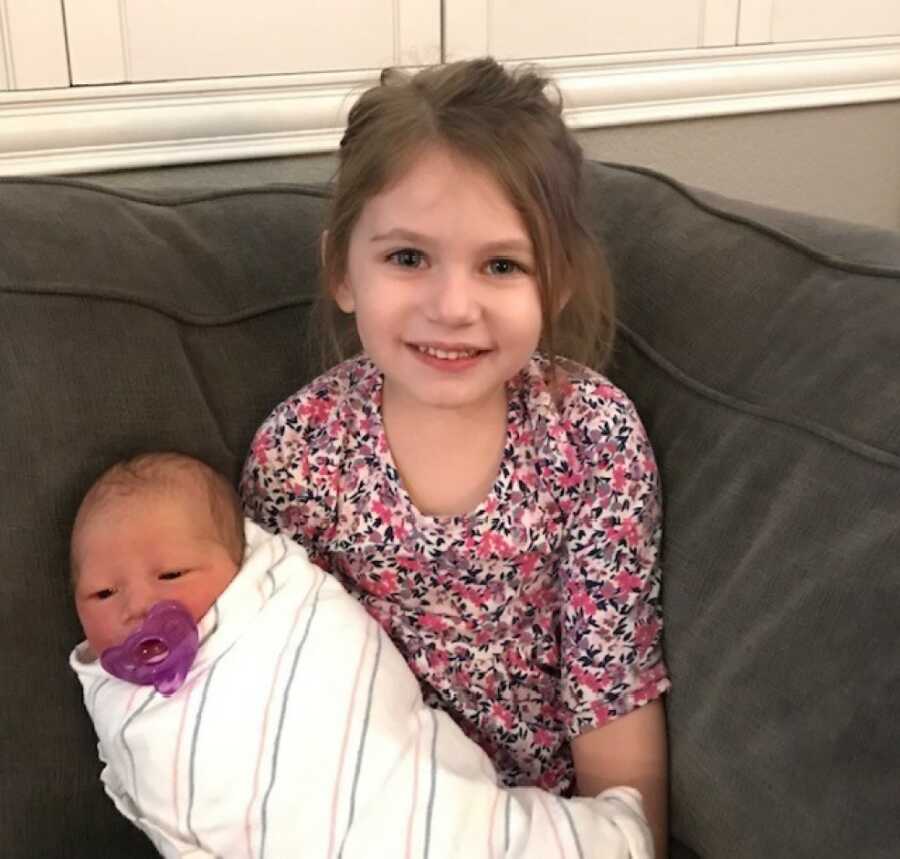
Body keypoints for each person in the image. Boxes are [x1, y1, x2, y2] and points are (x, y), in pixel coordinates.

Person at [240, 58, 671, 857]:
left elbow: (612, 689)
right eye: (408, 258)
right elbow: (274, 685)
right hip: (362, 813)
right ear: (342, 268)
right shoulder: (299, 451)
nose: (452, 307)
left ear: (561, 281)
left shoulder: (591, 436)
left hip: (542, 825)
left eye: (501, 265)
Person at [70, 452, 654, 858]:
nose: (138, 606)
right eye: (102, 593)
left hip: (410, 809)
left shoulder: (279, 610)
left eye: (171, 574)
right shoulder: (127, 710)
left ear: (241, 562)